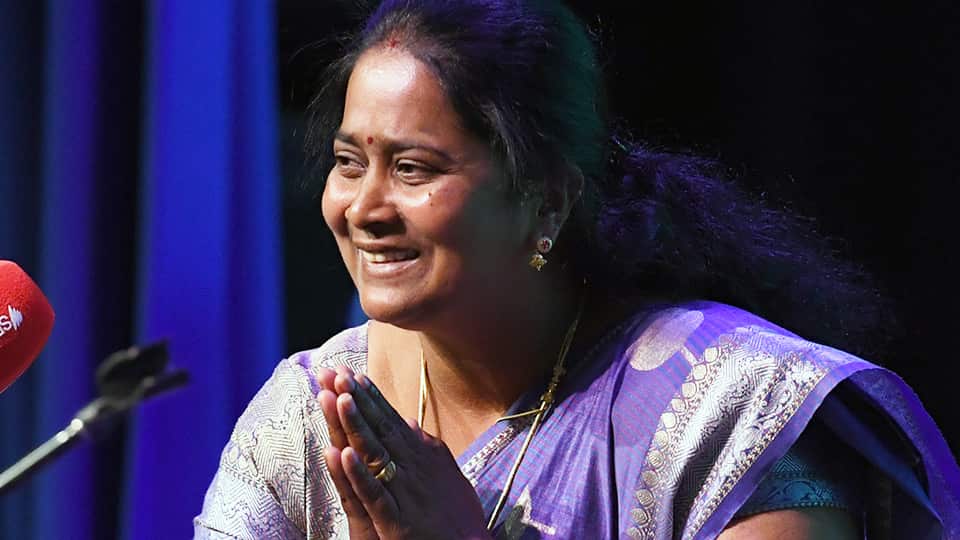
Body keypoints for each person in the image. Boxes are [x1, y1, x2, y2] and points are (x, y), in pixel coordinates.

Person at [194, 1, 960, 538]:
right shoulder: (304, 421)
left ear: (548, 201)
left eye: (414, 168)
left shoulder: (733, 419)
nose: (364, 206)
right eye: (347, 162)